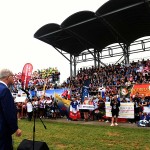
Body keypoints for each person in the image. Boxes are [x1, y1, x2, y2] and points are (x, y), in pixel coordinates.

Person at [0, 68, 22, 150]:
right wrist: (15, 128)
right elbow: (8, 112)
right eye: (12, 76)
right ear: (8, 77)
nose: (14, 78)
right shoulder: (5, 90)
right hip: (3, 130)